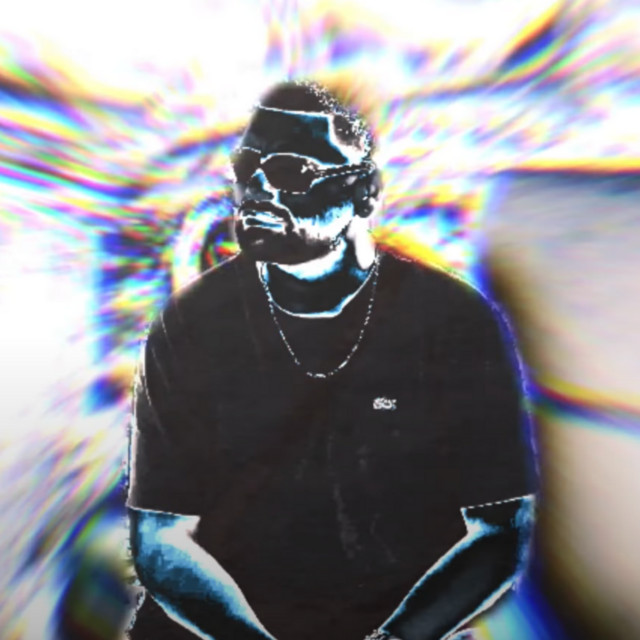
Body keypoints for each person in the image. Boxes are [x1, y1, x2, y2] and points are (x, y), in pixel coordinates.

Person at [126, 81, 537, 640]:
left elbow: (499, 530)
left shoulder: (453, 322)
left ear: (364, 193)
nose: (258, 189)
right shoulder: (188, 324)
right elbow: (160, 539)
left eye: (292, 172)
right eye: (247, 168)